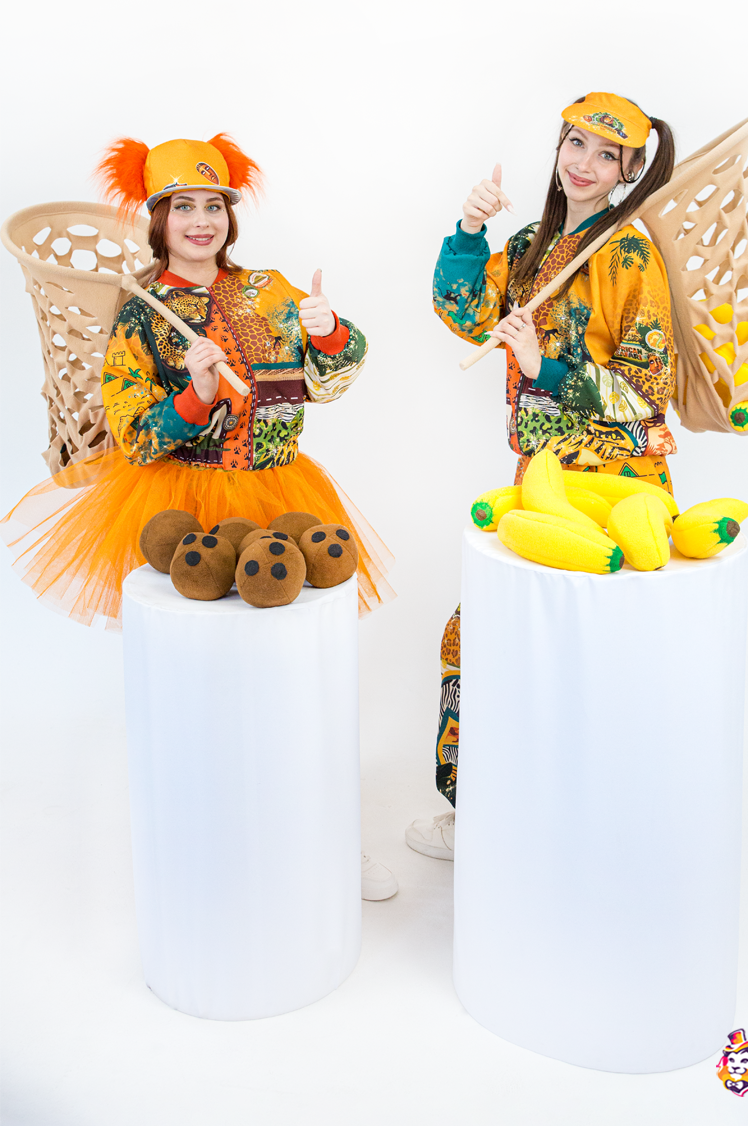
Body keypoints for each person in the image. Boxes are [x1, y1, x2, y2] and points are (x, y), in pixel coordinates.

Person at [3, 133, 396, 900]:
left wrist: (326, 330)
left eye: (213, 205)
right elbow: (132, 436)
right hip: (184, 509)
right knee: (209, 688)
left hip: (283, 494)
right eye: (183, 206)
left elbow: (331, 382)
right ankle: (217, 846)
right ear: (158, 219)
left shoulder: (272, 290)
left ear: (229, 215)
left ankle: (323, 842)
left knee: (297, 678)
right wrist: (195, 396)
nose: (201, 220)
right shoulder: (141, 314)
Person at [405, 93, 678, 861]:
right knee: (481, 639)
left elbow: (647, 390)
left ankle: (593, 830)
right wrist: (469, 231)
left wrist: (544, 367)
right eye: (575, 144)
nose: (584, 164)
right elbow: (465, 312)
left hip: (617, 487)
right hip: (541, 479)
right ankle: (486, 813)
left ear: (628, 171)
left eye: (606, 155)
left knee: (587, 661)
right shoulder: (531, 243)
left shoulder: (628, 254)